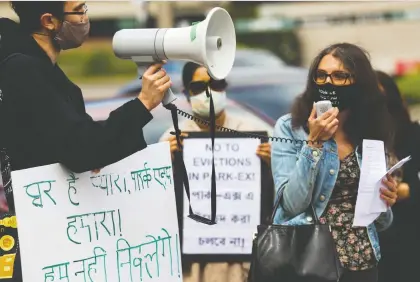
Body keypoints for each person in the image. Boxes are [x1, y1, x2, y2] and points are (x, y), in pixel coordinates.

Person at [0, 2, 172, 281]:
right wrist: (142, 105)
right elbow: (79, 148)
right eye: (79, 11)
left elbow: (69, 139)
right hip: (41, 239)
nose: (84, 19)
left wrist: (97, 151)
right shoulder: (24, 71)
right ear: (49, 21)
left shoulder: (37, 69)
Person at [271, 43, 398, 282]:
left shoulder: (370, 128)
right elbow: (291, 204)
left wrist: (386, 199)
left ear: (359, 82)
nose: (328, 83)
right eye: (321, 75)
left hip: (362, 262)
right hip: (309, 262)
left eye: (340, 76)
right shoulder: (291, 128)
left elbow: (381, 222)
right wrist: (314, 144)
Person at [159, 62, 272, 282]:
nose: (208, 93)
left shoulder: (253, 132)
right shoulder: (172, 138)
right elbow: (160, 202)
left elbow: (276, 194)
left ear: (224, 88)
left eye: (215, 84)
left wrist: (270, 163)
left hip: (242, 257)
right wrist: (165, 161)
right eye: (198, 87)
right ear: (187, 93)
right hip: (193, 260)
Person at [375, 70, 420, 282]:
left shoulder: (413, 135)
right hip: (372, 243)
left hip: (410, 237)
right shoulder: (351, 140)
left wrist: (408, 190)